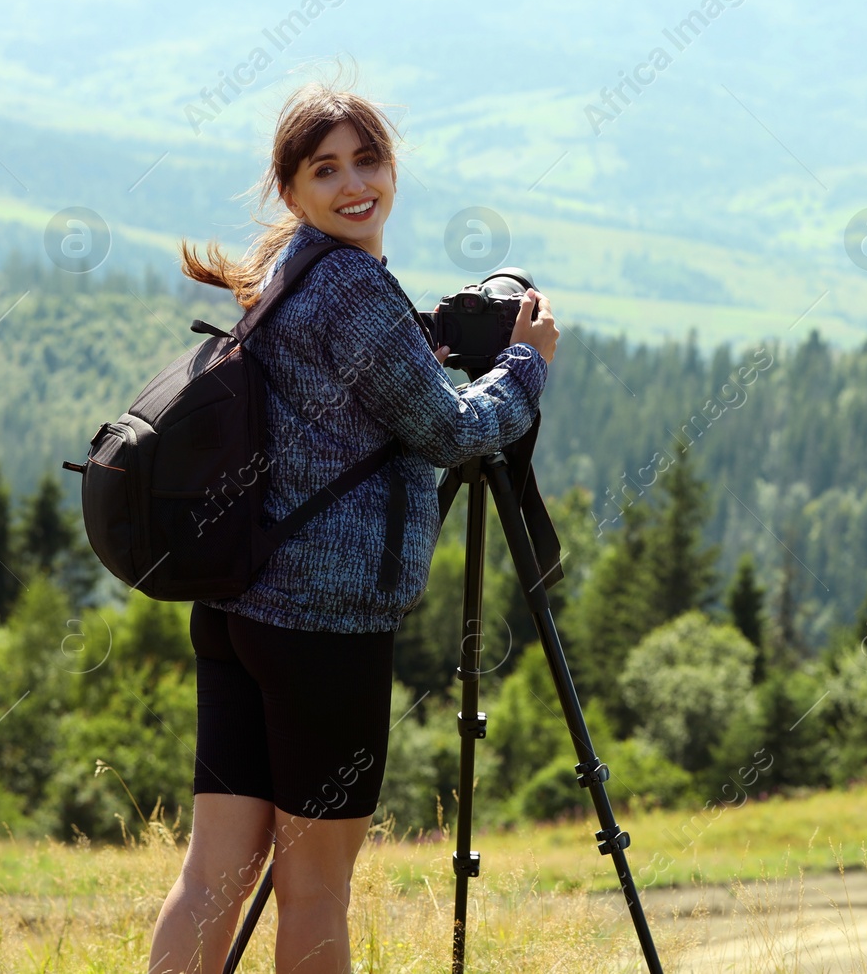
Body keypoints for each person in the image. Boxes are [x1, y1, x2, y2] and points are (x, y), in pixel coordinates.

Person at [147, 82, 559, 973]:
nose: (353, 184)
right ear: (291, 190)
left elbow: (352, 399)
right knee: (316, 885)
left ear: (391, 167)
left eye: (366, 161)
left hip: (236, 608)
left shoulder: (289, 270)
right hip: (321, 627)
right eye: (325, 169)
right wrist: (527, 364)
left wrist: (428, 347)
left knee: (215, 869)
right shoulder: (351, 290)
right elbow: (453, 432)